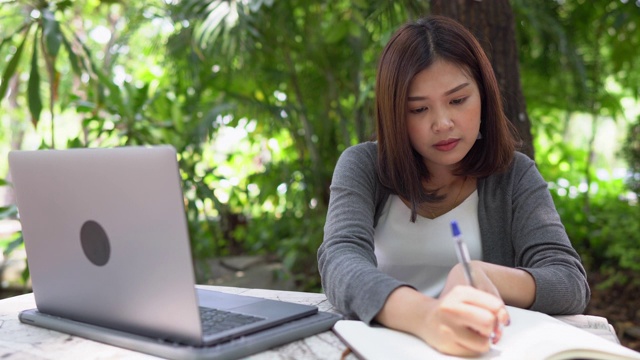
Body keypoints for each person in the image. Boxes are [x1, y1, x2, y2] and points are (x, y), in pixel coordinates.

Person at [317, 15, 590, 357]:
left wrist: (480, 273)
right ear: (394, 115)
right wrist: (428, 318)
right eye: (418, 109)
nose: (442, 123)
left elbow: (569, 281)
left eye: (458, 101)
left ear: (484, 98)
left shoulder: (514, 175)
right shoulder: (363, 166)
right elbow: (340, 261)